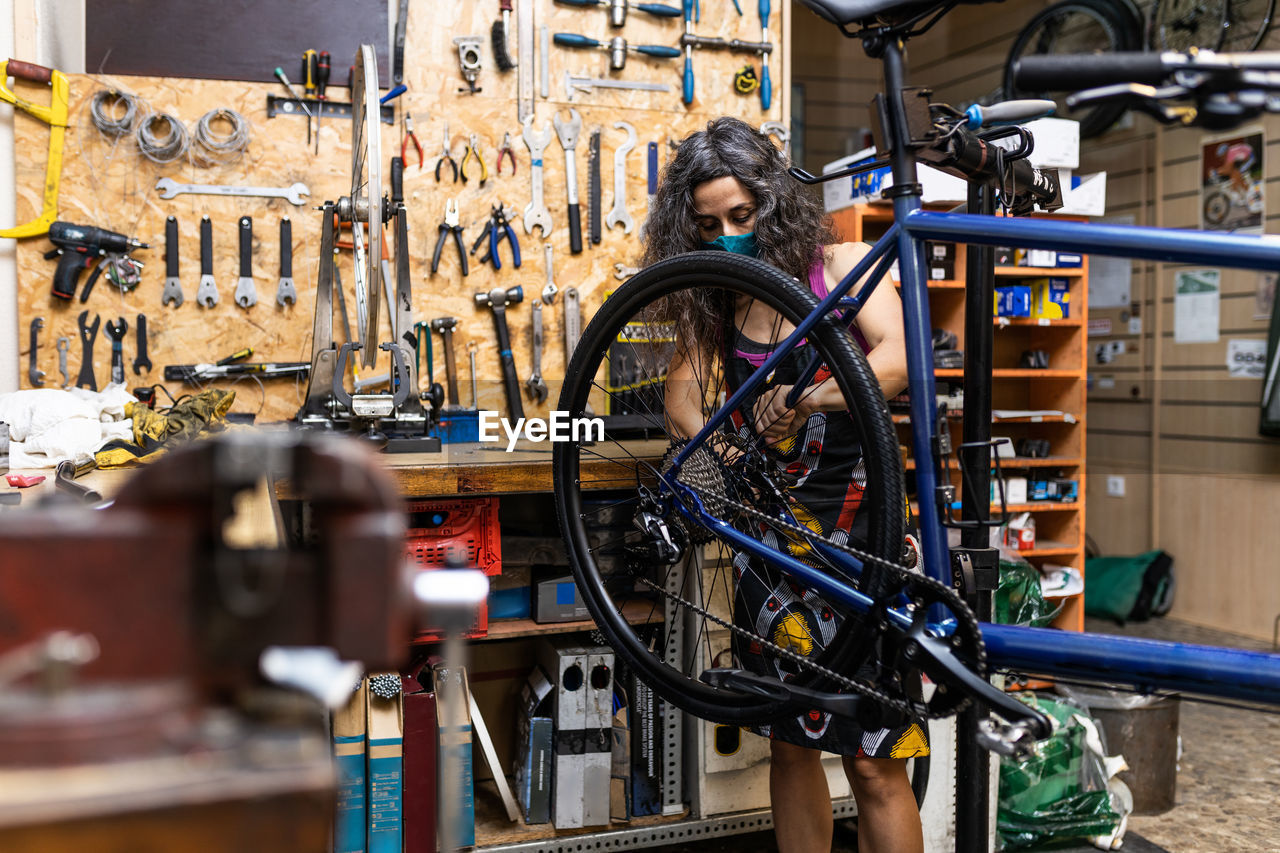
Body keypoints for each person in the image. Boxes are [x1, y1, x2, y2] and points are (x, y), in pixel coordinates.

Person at [642, 115, 926, 853]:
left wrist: (811, 395)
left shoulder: (840, 267)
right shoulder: (721, 303)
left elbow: (898, 361)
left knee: (876, 762)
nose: (730, 237)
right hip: (769, 552)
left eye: (742, 215)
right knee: (791, 743)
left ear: (773, 199)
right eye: (709, 226)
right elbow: (681, 399)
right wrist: (722, 449)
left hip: (863, 542)